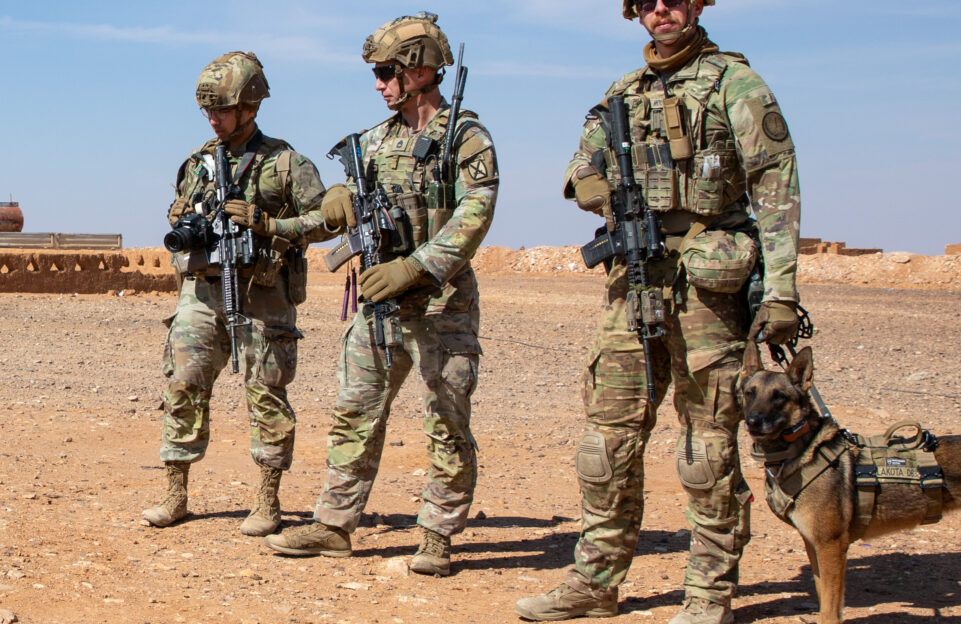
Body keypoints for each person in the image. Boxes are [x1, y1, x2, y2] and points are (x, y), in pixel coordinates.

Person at [515, 1, 801, 623]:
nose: (661, 10)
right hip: (632, 279)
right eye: (647, 1)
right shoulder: (622, 92)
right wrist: (588, 184)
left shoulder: (736, 84)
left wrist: (781, 290)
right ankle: (595, 583)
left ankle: (708, 594)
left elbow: (776, 186)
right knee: (606, 440)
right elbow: (581, 160)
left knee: (706, 449)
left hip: (706, 288)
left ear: (698, 3)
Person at [264, 12, 498, 577]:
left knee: (446, 422)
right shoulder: (372, 142)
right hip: (377, 307)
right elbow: (332, 214)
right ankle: (334, 524)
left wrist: (414, 267)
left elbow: (474, 215)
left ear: (420, 69)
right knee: (354, 414)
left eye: (387, 72)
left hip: (441, 305)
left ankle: (437, 534)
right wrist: (314, 209)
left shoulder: (465, 137)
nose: (378, 84)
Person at [143, 51, 332, 537]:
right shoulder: (197, 163)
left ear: (251, 106)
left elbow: (328, 220)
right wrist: (181, 216)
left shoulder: (286, 163)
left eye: (222, 109)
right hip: (201, 292)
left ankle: (268, 500)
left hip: (263, 293)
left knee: (266, 393)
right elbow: (182, 212)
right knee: (182, 385)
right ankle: (175, 494)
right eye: (207, 110)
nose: (213, 118)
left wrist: (269, 224)